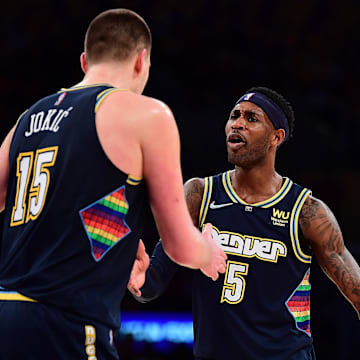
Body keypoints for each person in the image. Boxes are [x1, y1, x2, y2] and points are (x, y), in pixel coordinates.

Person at [0, 8, 226, 360]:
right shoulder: (146, 114)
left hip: (7, 316)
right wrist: (208, 253)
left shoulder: (28, 118)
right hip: (68, 324)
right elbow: (179, 244)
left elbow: (52, 204)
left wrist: (115, 238)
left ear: (84, 61)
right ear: (141, 61)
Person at [128, 86, 360, 360]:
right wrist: (138, 278)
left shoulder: (306, 211)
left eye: (252, 118)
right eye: (234, 115)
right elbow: (151, 286)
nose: (237, 123)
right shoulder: (199, 195)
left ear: (276, 137)